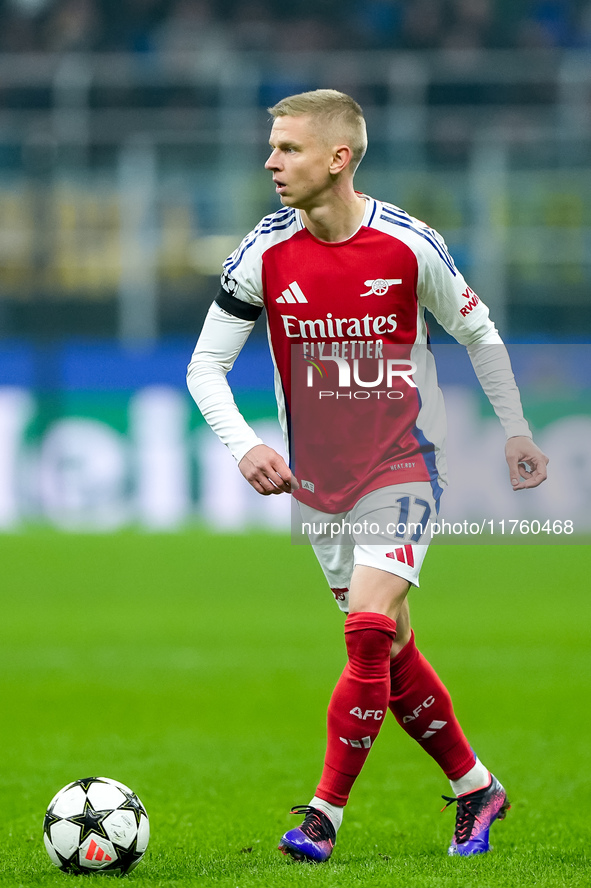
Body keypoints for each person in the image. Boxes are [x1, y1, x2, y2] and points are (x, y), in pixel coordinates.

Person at [186, 89, 548, 861]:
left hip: (406, 462)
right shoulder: (261, 253)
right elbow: (206, 367)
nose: (270, 161)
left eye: (287, 148)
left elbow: (477, 332)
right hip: (319, 482)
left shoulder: (409, 245)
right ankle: (476, 787)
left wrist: (515, 429)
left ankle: (322, 817)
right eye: (272, 147)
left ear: (338, 158)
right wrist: (243, 443)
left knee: (367, 631)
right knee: (388, 652)